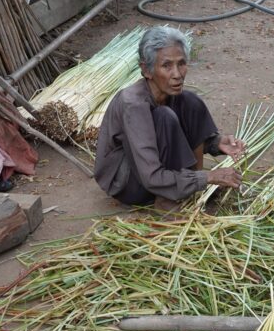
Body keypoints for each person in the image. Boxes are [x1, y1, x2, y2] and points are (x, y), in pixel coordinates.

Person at [94, 26, 245, 210]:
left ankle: (190, 188)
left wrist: (215, 143)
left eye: (181, 63)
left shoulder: (169, 94)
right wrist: (209, 177)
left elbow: (172, 137)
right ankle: (166, 200)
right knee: (165, 116)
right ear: (146, 70)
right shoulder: (133, 105)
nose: (177, 74)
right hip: (131, 183)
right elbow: (151, 176)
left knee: (191, 102)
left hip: (156, 173)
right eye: (166, 66)